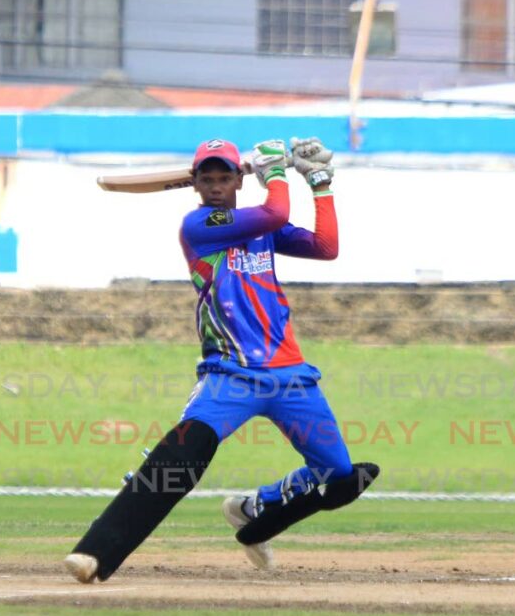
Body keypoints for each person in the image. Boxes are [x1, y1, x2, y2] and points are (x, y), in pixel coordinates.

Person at [65, 136, 378, 583]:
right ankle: (96, 554)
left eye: (223, 177)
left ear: (237, 180)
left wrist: (319, 182)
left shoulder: (262, 229)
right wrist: (274, 173)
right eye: (206, 178)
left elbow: (326, 247)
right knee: (181, 455)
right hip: (230, 375)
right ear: (194, 185)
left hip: (290, 376)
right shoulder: (199, 225)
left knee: (342, 478)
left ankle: (255, 510)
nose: (215, 186)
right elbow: (275, 211)